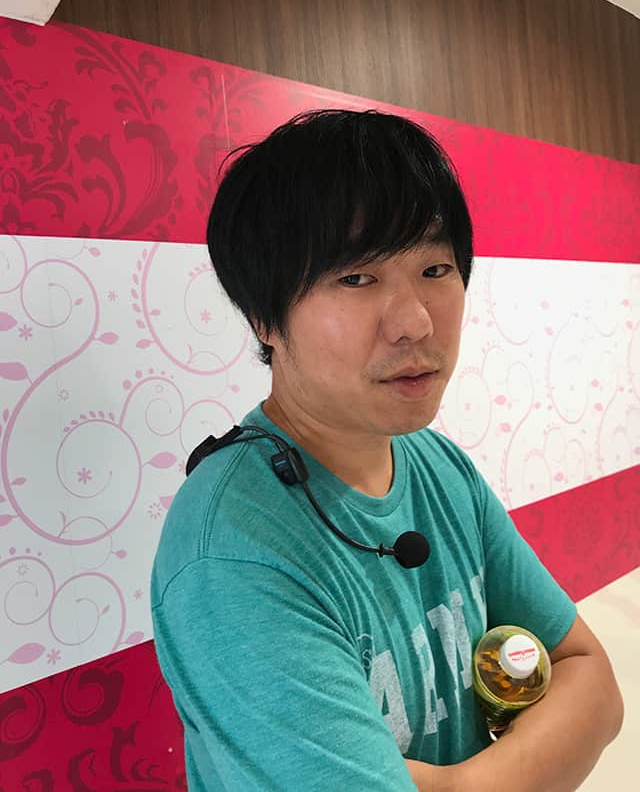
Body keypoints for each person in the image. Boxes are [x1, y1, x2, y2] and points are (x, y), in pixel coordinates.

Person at [150, 110, 623, 791]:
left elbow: (591, 677)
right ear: (263, 317)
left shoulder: (438, 464)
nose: (416, 321)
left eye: (435, 267)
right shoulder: (231, 558)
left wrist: (456, 786)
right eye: (356, 278)